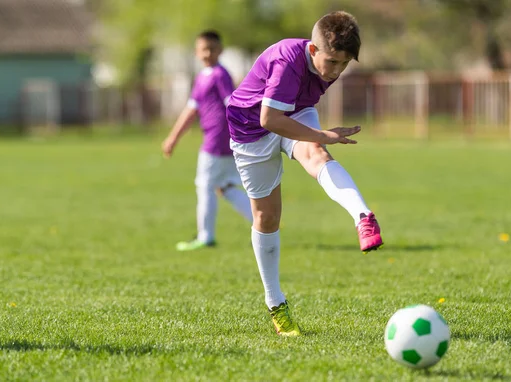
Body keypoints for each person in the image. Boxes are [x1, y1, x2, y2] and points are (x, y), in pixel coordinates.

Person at [226, 11, 383, 336]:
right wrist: (325, 133)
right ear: (313, 51)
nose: (336, 71)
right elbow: (269, 119)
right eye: (332, 63)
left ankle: (363, 217)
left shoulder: (329, 62)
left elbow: (292, 119)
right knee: (266, 219)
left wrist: (319, 138)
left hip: (293, 112)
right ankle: (275, 302)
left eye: (344, 64)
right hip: (251, 129)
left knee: (316, 153)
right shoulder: (287, 60)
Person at [162, 30, 252, 251]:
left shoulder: (220, 75)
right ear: (196, 52)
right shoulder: (203, 77)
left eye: (212, 48)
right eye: (204, 49)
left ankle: (206, 236)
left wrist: (244, 130)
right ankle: (263, 221)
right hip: (218, 137)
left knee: (205, 185)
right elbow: (191, 110)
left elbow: (232, 103)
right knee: (224, 186)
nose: (208, 53)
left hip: (217, 137)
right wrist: (173, 137)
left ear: (220, 50)